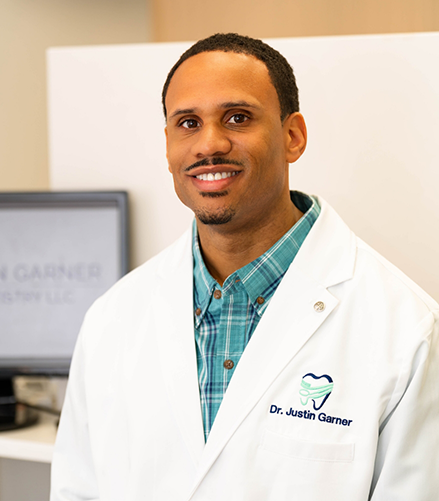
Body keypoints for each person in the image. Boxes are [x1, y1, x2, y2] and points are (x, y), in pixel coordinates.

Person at [51, 33, 439, 501]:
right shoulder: (112, 317)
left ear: (292, 136)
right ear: (169, 146)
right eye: (188, 123)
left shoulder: (407, 329)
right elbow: (77, 490)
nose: (209, 144)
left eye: (238, 117)